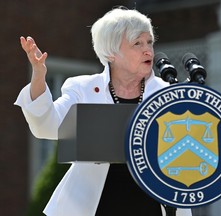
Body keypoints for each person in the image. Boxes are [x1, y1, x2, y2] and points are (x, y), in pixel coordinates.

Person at [15, 7, 193, 216]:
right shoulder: (83, 88)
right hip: (92, 207)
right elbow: (49, 126)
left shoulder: (167, 92)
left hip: (154, 207)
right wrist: (38, 76)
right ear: (111, 52)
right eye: (138, 43)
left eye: (149, 42)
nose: (148, 51)